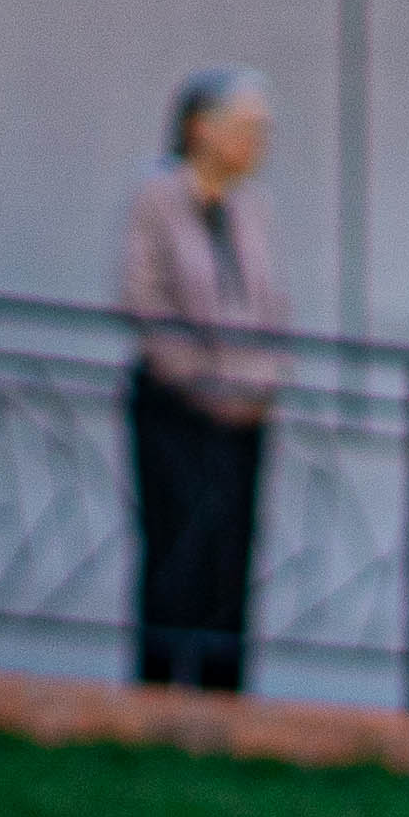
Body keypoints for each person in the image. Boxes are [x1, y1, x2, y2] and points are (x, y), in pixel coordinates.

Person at [121, 66, 294, 693]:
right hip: (176, 407)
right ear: (199, 128)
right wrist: (204, 382)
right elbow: (145, 303)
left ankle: (224, 698)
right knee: (176, 546)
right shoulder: (158, 197)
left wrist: (261, 383)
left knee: (232, 552)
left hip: (244, 415)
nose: (255, 141)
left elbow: (272, 308)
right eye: (243, 127)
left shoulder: (252, 207)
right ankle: (161, 694)